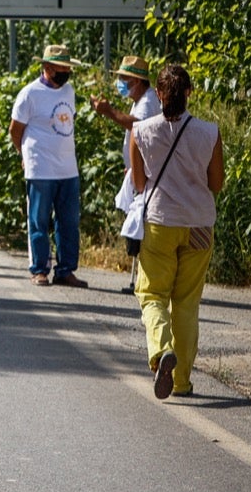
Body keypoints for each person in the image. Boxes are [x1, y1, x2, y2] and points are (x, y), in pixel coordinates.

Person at [129, 64, 223, 399]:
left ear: (158, 94)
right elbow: (216, 183)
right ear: (189, 93)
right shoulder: (209, 132)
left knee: (153, 294)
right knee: (186, 302)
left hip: (160, 224)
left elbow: (139, 184)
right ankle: (182, 381)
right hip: (199, 224)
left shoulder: (140, 132)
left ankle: (160, 351)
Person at [11, 45, 88, 288]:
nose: (65, 73)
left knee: (68, 222)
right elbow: (15, 130)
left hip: (68, 169)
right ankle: (39, 269)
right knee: (39, 221)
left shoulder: (69, 91)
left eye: (67, 69)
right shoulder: (29, 94)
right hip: (40, 167)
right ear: (46, 68)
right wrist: (24, 154)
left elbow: (69, 121)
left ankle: (65, 270)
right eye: (60, 69)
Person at [92, 55, 162, 291]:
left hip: (147, 171)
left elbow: (136, 126)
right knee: (138, 225)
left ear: (138, 81)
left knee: (142, 227)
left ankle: (146, 280)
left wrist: (108, 111)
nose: (121, 83)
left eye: (125, 78)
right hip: (138, 168)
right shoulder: (140, 99)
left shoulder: (148, 101)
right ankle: (141, 278)